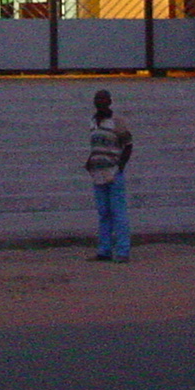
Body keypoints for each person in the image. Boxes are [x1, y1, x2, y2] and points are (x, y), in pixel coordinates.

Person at [84, 89, 133, 263]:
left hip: (113, 172)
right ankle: (104, 250)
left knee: (118, 212)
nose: (100, 102)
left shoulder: (117, 122)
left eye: (103, 99)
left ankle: (122, 251)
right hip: (97, 173)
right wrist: (90, 160)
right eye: (97, 98)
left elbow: (128, 145)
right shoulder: (92, 122)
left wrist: (120, 166)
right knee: (103, 212)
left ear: (110, 102)